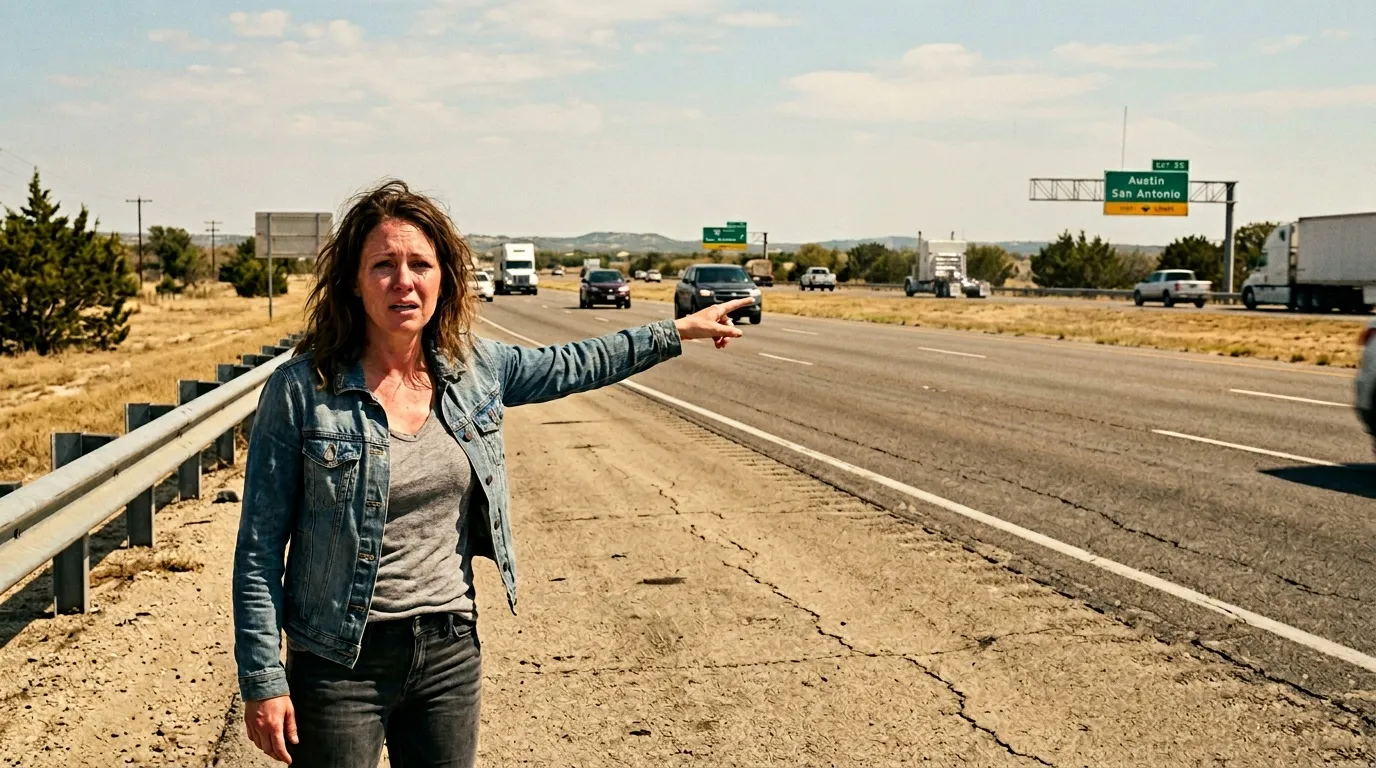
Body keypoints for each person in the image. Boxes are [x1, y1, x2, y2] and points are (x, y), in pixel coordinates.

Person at [231, 179, 751, 767]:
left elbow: (574, 363)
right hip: (336, 664)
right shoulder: (303, 392)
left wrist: (675, 331)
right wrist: (264, 679)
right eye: (383, 265)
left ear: (442, 279)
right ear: (354, 281)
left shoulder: (475, 369)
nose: (403, 280)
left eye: (420, 264)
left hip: (448, 653)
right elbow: (258, 547)